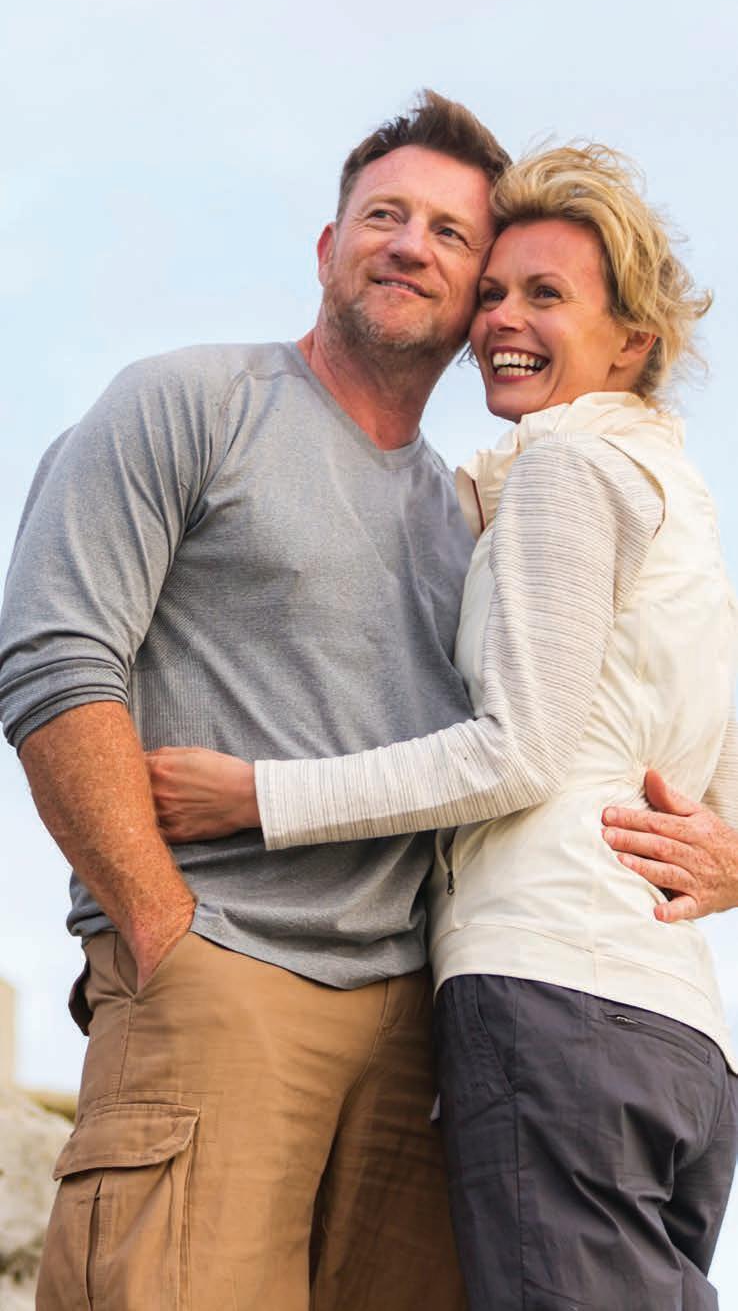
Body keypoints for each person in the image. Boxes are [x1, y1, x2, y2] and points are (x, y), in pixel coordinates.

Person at [148, 145, 738, 1309]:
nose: (501, 319)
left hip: (553, 996)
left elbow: (514, 751)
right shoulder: (677, 498)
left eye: (546, 295)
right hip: (678, 1038)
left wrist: (255, 794)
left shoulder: (571, 468)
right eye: (496, 291)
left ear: (632, 343)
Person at [0, 91, 511, 1310]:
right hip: (215, 977)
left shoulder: (472, 525)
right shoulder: (189, 402)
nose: (410, 244)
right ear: (328, 246)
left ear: (481, 296)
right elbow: (55, 657)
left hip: (415, 1044)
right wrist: (162, 929)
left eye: (449, 232)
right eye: (384, 215)